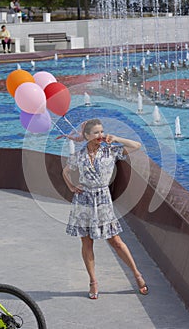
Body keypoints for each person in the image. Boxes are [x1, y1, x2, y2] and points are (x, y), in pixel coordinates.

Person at [62, 118, 149, 300]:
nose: (100, 135)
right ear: (86, 136)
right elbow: (65, 171)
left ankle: (137, 274)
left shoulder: (111, 150)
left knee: (116, 241)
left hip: (103, 200)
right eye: (96, 133)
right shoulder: (79, 155)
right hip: (83, 201)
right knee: (87, 243)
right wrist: (71, 187)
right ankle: (93, 281)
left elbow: (137, 145)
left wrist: (116, 138)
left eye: (102, 131)